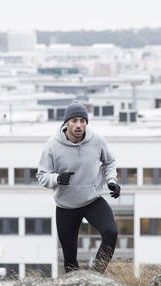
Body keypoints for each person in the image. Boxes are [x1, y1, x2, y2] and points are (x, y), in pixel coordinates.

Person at [36, 102, 121, 274]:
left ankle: (97, 276)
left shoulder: (96, 140)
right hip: (66, 206)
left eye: (83, 121)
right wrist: (57, 178)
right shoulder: (52, 145)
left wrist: (112, 181)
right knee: (69, 258)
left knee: (111, 232)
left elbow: (109, 161)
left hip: (92, 199)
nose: (79, 125)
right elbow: (41, 176)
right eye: (74, 120)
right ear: (66, 123)